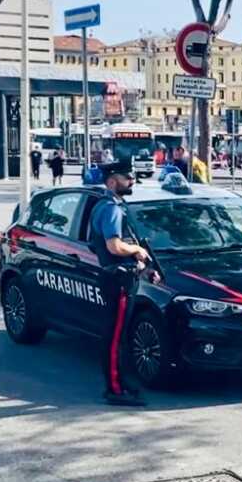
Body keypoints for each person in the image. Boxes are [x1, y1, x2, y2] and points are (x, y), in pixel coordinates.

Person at [88, 161, 151, 407]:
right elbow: (113, 246)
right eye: (127, 178)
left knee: (118, 335)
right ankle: (115, 388)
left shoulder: (103, 205)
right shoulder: (111, 209)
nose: (132, 181)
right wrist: (136, 249)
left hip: (115, 275)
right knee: (115, 337)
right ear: (113, 181)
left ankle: (120, 383)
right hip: (118, 279)